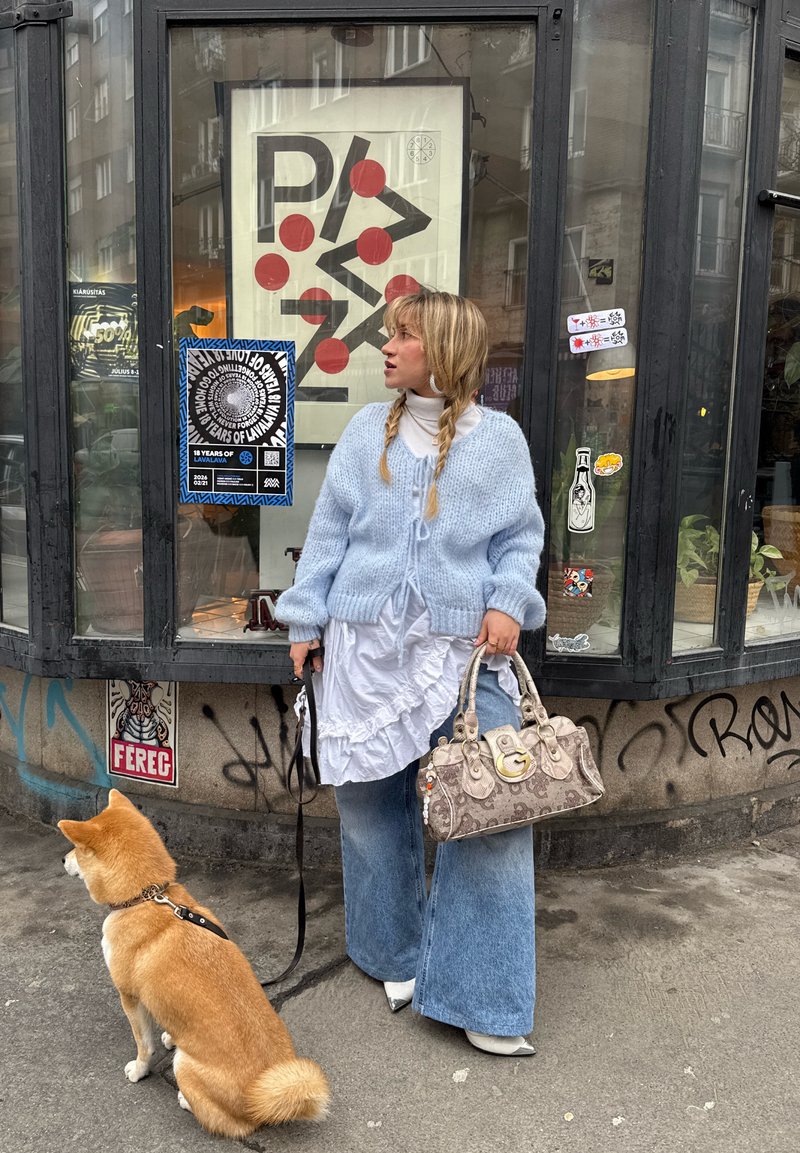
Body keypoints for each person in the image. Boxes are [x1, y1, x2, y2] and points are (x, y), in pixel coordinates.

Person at [275, 290, 546, 1057]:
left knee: (491, 812)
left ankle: (484, 995)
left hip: (464, 658)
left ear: (446, 350)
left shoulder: (500, 441)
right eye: (391, 334)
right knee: (366, 806)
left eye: (404, 335)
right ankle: (391, 954)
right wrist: (306, 621)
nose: (387, 346)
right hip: (363, 648)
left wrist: (507, 603)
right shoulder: (368, 432)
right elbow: (326, 534)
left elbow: (522, 539)